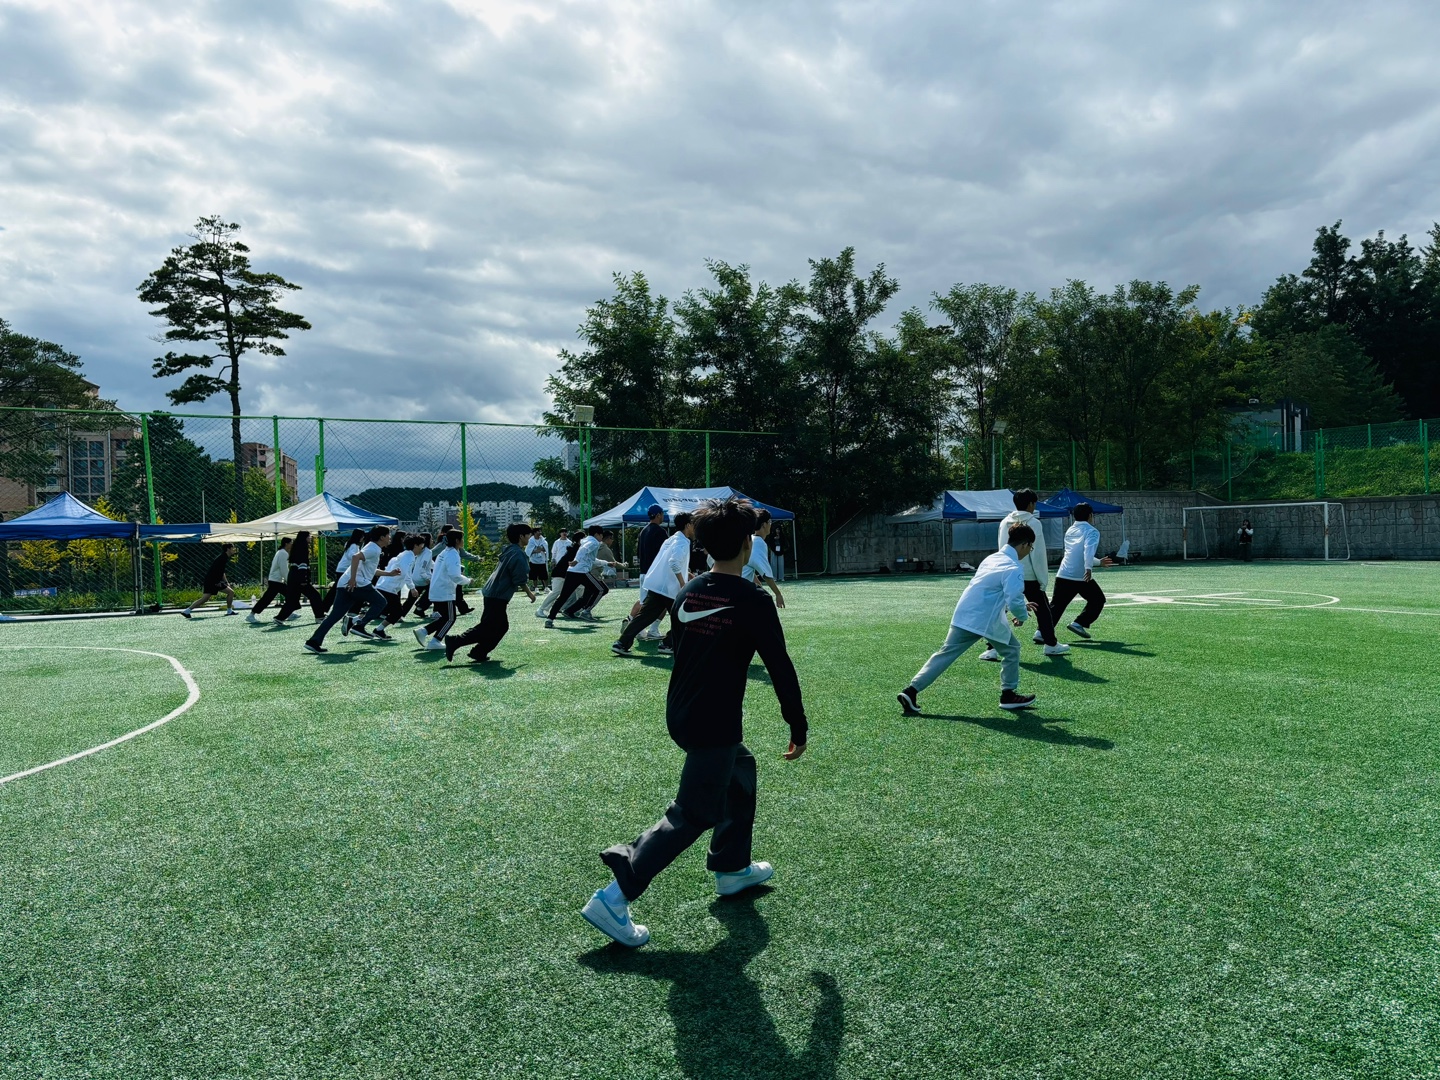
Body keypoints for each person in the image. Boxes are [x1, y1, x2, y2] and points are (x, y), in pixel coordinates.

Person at [581, 497, 808, 948]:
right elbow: (780, 667)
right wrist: (797, 726)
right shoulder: (753, 600)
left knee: (740, 772)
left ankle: (732, 868)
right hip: (714, 721)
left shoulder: (690, 591)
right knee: (693, 812)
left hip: (682, 713)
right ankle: (615, 894)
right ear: (747, 545)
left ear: (702, 545)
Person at [896, 523, 1039, 717]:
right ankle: (1008, 695)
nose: (1029, 551)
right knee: (1012, 650)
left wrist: (1019, 607)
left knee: (945, 653)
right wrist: (1021, 615)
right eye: (1031, 547)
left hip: (964, 613)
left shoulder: (992, 559)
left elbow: (993, 591)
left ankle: (910, 691)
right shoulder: (1013, 567)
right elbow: (1013, 598)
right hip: (984, 620)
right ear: (1025, 544)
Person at [986, 489, 1066, 658]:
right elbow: (1038, 554)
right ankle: (1050, 644)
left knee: (1000, 609)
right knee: (1043, 610)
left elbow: (1002, 547)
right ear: (1031, 504)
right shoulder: (1034, 523)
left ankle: (992, 648)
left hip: (1007, 572)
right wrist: (1042, 579)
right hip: (1028, 574)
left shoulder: (1004, 522)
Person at [444, 522, 538, 662]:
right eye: (529, 534)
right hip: (498, 595)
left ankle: (478, 651)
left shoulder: (509, 550)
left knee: (494, 626)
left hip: (492, 592)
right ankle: (457, 642)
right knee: (494, 627)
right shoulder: (518, 554)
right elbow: (519, 578)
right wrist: (530, 593)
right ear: (521, 536)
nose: (530, 537)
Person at [611, 513, 694, 656]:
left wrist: (687, 574)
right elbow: (674, 562)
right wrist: (682, 583)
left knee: (644, 616)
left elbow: (669, 561)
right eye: (694, 524)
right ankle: (668, 644)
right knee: (684, 617)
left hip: (657, 585)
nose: (695, 527)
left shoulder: (671, 539)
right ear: (687, 525)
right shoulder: (683, 542)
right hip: (669, 588)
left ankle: (621, 643)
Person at [304, 526, 389, 653]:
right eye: (388, 535)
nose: (390, 538)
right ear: (382, 537)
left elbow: (371, 570)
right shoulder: (374, 549)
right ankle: (359, 625)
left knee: (334, 616)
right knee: (381, 602)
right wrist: (353, 579)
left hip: (344, 583)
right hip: (357, 583)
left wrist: (390, 573)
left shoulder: (371, 547)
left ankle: (313, 641)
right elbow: (355, 557)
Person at [1050, 503, 1113, 640]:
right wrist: (1088, 568)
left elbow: (1076, 553)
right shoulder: (1092, 531)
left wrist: (1098, 562)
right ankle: (1079, 623)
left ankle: (1041, 633)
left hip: (1063, 573)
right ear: (1090, 515)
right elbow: (1088, 550)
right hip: (1081, 576)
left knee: (1056, 606)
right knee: (1098, 600)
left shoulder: (1070, 530)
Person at [545, 524, 609, 627]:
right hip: (582, 572)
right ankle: (586, 612)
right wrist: (576, 560)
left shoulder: (585, 540)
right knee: (601, 589)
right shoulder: (594, 542)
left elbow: (591, 559)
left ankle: (549, 619)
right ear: (597, 534)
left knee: (563, 597)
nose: (602, 538)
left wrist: (607, 563)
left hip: (571, 572)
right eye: (601, 535)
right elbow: (583, 550)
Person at [415, 530, 468, 650]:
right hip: (445, 591)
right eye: (462, 539)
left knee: (445, 618)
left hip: (437, 590)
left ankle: (424, 632)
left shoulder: (444, 552)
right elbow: (455, 576)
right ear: (457, 541)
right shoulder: (453, 554)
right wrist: (468, 580)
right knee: (450, 618)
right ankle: (435, 640)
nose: (463, 541)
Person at [628, 504, 669, 633]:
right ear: (658, 515)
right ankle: (653, 629)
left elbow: (638, 553)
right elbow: (665, 554)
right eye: (662, 514)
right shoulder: (660, 532)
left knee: (643, 602)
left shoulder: (643, 531)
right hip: (656, 574)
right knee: (664, 601)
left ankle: (632, 623)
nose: (663, 516)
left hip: (644, 572)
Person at [274, 531, 324, 623]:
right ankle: (319, 617)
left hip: (294, 576)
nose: (310, 538)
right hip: (300, 577)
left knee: (293, 601)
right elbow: (302, 565)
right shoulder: (302, 548)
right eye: (309, 536)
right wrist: (304, 579)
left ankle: (279, 618)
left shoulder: (296, 548)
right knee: (315, 596)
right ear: (304, 538)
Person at [742, 509, 785, 610]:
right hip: (741, 592)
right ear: (764, 525)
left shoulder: (751, 539)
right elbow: (766, 574)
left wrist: (759, 585)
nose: (770, 524)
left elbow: (747, 566)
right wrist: (778, 594)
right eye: (769, 521)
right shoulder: (758, 543)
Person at [182, 543, 238, 618]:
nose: (234, 549)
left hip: (211, 580)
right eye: (232, 548)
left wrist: (225, 582)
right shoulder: (223, 558)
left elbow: (221, 572)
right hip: (213, 581)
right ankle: (229, 611)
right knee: (231, 592)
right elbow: (217, 571)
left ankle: (187, 611)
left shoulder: (223, 557)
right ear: (228, 549)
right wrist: (219, 582)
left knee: (205, 598)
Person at [247, 537, 292, 623]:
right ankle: (251, 615)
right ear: (286, 544)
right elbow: (284, 569)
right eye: (291, 543)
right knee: (289, 595)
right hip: (276, 581)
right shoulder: (283, 553)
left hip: (275, 580)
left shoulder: (280, 552)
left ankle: (289, 613)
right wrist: (289, 580)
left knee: (268, 598)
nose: (292, 544)